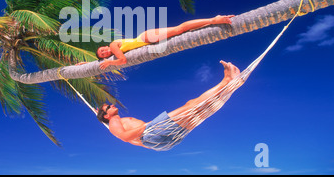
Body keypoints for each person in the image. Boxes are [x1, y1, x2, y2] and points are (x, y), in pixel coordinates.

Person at [96, 61, 241, 149]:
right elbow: (125, 137)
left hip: (162, 141)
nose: (111, 105)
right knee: (192, 106)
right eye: (108, 107)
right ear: (107, 115)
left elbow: (132, 142)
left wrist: (152, 144)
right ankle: (227, 81)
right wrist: (146, 127)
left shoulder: (115, 122)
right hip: (153, 131)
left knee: (199, 113)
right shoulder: (114, 121)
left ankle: (231, 85)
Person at [96, 15, 235, 70]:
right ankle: (211, 21)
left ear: (104, 46)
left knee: (179, 29)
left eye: (102, 50)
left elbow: (122, 60)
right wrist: (86, 64)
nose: (105, 52)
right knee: (180, 30)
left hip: (145, 39)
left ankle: (213, 20)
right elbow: (106, 61)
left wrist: (109, 62)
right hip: (146, 40)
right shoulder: (111, 53)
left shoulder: (113, 45)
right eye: (103, 55)